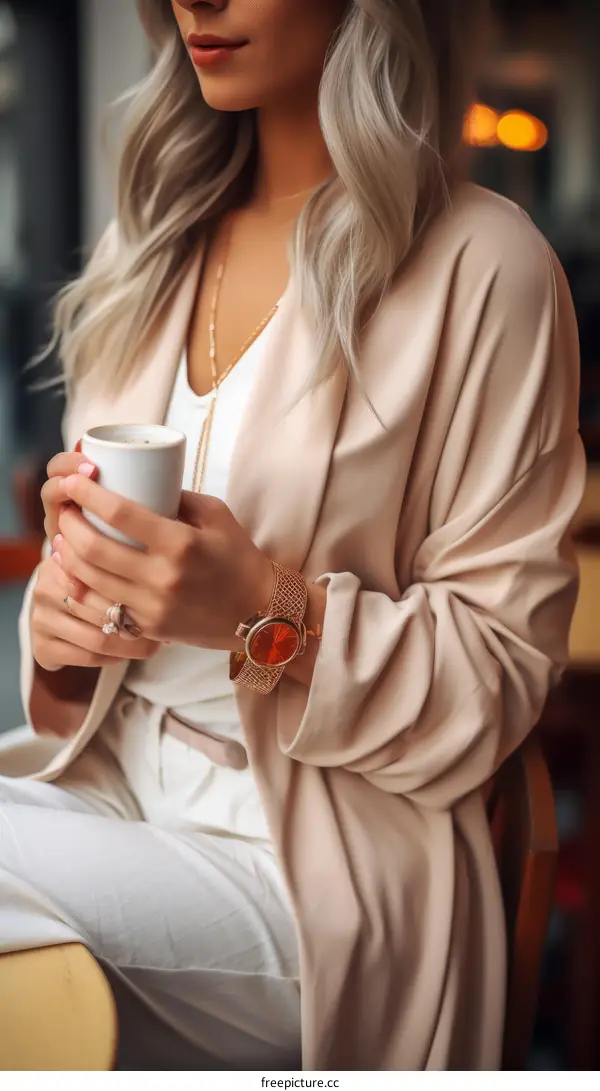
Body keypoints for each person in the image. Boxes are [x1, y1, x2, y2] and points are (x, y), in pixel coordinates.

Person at [0, 0, 586, 1072]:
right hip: (109, 797)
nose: (198, 1)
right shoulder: (151, 243)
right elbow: (84, 637)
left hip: (317, 868)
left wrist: (260, 613)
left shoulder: (484, 266)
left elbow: (497, 682)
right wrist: (66, 620)